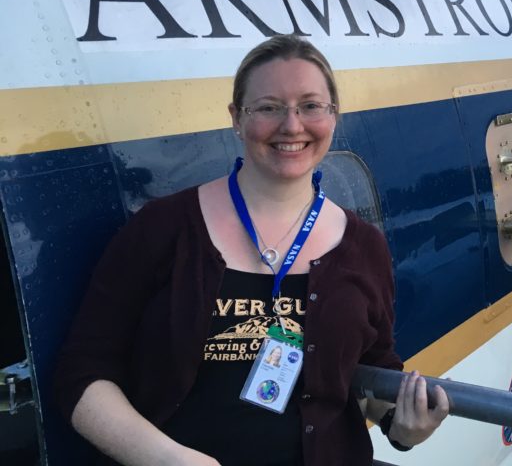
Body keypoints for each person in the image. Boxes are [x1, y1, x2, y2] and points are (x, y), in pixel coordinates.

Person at [55, 36, 448, 465]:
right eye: (268, 107)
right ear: (237, 119)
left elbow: (373, 363)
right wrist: (164, 458)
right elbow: (83, 372)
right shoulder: (162, 229)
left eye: (311, 105)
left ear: (334, 116)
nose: (292, 125)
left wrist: (402, 424)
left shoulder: (363, 246)